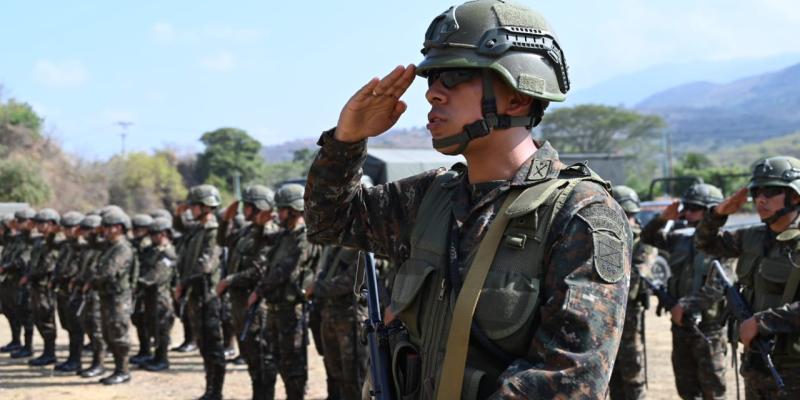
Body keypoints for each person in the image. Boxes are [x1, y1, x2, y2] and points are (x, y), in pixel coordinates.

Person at [304, 1, 632, 398]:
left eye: (454, 76)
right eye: (431, 78)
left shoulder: (579, 214)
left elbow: (568, 377)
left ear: (516, 97)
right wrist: (347, 140)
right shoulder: (428, 197)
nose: (433, 96)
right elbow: (330, 220)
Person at [695, 156, 800, 398]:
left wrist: (762, 322)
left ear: (795, 196)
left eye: (771, 191)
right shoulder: (752, 238)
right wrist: (719, 213)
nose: (760, 199)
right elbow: (703, 242)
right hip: (756, 364)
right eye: (757, 191)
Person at [640, 183, 729, 399]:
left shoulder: (724, 243)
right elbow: (647, 237)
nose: (687, 213)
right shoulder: (679, 238)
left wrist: (686, 305)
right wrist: (663, 218)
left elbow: (720, 286)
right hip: (681, 326)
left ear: (711, 211)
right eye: (686, 207)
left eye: (694, 208)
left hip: (708, 328)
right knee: (686, 388)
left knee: (713, 390)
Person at [247, 183, 322, 400]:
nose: (276, 213)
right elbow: (260, 252)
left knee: (294, 368)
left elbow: (285, 271)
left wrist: (258, 291)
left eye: (280, 209)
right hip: (276, 308)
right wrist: (260, 226)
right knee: (280, 361)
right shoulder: (283, 235)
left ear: (293, 210)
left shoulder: (303, 238)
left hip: (292, 310)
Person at [215, 184, 280, 398]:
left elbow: (259, 270)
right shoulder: (247, 229)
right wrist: (226, 220)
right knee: (251, 357)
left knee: (262, 357)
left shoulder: (268, 233)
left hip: (256, 305)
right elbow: (222, 240)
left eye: (248, 205)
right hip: (240, 302)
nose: (244, 209)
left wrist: (229, 280)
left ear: (258, 207)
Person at [175, 184, 226, 400]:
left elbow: (205, 265)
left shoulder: (214, 231)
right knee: (204, 345)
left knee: (213, 346)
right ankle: (210, 390)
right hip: (196, 294)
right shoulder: (198, 228)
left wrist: (183, 283)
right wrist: (178, 216)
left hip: (208, 296)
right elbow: (182, 229)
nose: (191, 210)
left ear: (205, 207)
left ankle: (216, 392)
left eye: (194, 206)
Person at [609, 186, 658, 400]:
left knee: (633, 375)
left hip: (629, 318)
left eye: (630, 215)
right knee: (612, 376)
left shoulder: (644, 243)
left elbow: (636, 278)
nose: (627, 220)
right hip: (609, 316)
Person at [307, 245, 366, 400]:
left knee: (353, 377)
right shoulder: (334, 248)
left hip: (351, 320)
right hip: (330, 317)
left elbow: (351, 281)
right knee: (335, 375)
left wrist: (318, 288)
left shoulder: (362, 247)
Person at [85, 209, 135, 384]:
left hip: (118, 297)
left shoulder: (122, 248)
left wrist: (92, 280)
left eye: (108, 226)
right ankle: (117, 369)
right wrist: (95, 232)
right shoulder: (110, 246)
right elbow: (92, 244)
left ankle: (123, 371)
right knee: (108, 334)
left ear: (119, 228)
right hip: (108, 296)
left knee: (118, 334)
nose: (104, 229)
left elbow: (108, 271)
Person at [23, 208, 62, 367]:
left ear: (52, 224)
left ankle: (50, 352)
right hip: (35, 285)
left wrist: (31, 276)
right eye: (37, 223)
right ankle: (47, 352)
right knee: (39, 318)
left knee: (46, 318)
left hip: (45, 285)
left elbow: (50, 266)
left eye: (42, 223)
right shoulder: (39, 241)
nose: (38, 226)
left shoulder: (56, 243)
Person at [139, 216, 177, 372]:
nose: (152, 237)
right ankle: (156, 356)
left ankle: (162, 359)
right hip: (151, 296)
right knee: (153, 326)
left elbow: (158, 275)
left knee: (162, 329)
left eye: (154, 234)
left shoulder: (168, 254)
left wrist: (140, 281)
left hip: (161, 296)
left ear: (163, 234)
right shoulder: (154, 251)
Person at [74, 214, 108, 378]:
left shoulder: (105, 248)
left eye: (89, 230)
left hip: (97, 293)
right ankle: (95, 361)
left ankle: (99, 363)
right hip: (86, 292)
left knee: (97, 329)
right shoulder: (87, 248)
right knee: (87, 325)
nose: (85, 233)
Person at [52, 211, 86, 373]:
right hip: (64, 290)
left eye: (69, 227)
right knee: (68, 325)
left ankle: (75, 359)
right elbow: (49, 244)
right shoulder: (66, 244)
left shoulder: (83, 246)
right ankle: (72, 358)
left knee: (76, 328)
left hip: (76, 291)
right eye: (64, 228)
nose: (66, 231)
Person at [130, 213, 155, 366]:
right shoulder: (137, 244)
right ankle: (144, 350)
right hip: (139, 287)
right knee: (138, 319)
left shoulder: (147, 246)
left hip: (146, 287)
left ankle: (146, 350)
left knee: (144, 320)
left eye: (140, 229)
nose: (137, 232)